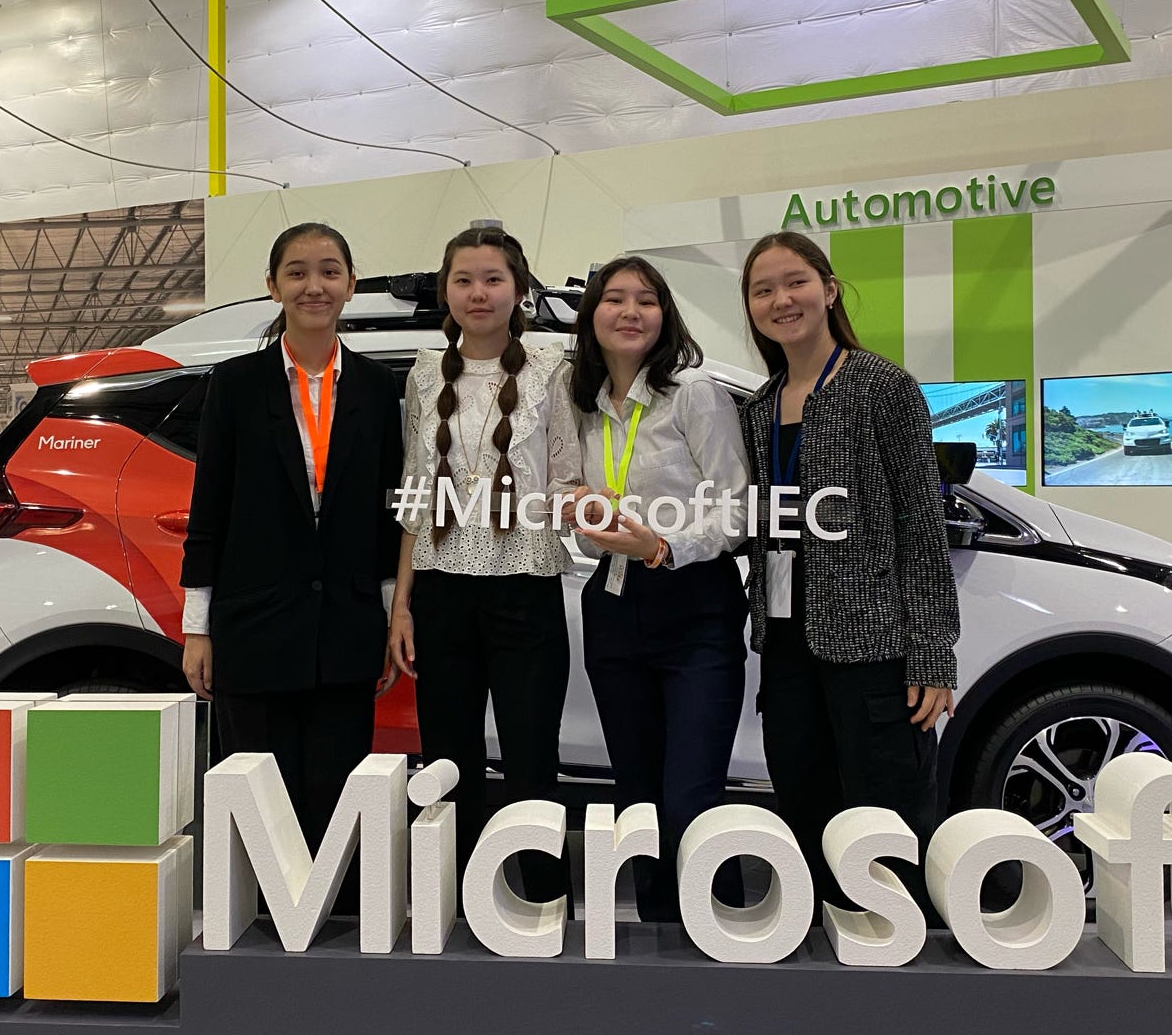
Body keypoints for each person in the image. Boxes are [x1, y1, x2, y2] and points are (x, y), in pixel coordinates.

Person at [738, 230, 960, 908]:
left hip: (873, 648)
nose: (782, 299)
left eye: (795, 281)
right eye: (763, 289)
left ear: (829, 290)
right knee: (807, 812)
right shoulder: (757, 407)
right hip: (784, 648)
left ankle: (905, 963)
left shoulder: (882, 387)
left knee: (887, 821)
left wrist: (932, 655)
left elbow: (922, 526)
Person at [181, 222, 403, 875]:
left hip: (346, 628)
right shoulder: (236, 385)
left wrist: (392, 614)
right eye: (299, 271)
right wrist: (199, 628)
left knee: (337, 803)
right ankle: (255, 943)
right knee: (257, 799)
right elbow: (209, 507)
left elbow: (388, 513)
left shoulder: (373, 387)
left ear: (351, 285)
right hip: (252, 630)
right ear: (273, 285)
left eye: (330, 271)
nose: (315, 285)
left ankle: (328, 933)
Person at [388, 226, 581, 901]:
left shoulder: (557, 365)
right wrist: (401, 605)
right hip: (440, 594)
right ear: (445, 290)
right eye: (464, 279)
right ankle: (459, 901)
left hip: (525, 588)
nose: (479, 293)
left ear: (520, 288)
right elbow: (417, 490)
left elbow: (569, 474)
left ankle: (540, 902)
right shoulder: (421, 371)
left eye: (493, 279)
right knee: (448, 763)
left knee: (532, 762)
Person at [566, 257, 750, 922]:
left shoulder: (694, 393)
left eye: (646, 300)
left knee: (689, 802)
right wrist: (586, 519)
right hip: (613, 606)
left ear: (665, 315)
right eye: (613, 299)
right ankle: (659, 954)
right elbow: (586, 521)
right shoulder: (581, 406)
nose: (630, 311)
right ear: (592, 317)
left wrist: (663, 545)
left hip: (696, 605)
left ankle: (725, 937)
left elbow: (736, 511)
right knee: (637, 804)